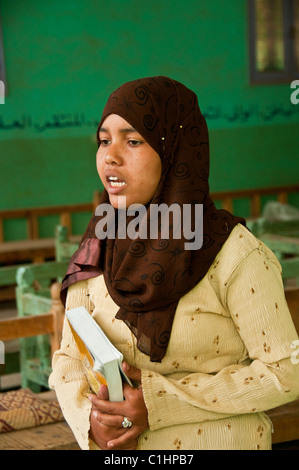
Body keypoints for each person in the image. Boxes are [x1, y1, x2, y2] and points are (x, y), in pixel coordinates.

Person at [49, 76, 299, 450]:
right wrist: (91, 424)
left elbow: (287, 371)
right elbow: (68, 360)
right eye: (104, 140)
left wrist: (157, 401)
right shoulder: (98, 244)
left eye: (133, 141)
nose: (110, 156)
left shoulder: (233, 254)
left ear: (175, 152)